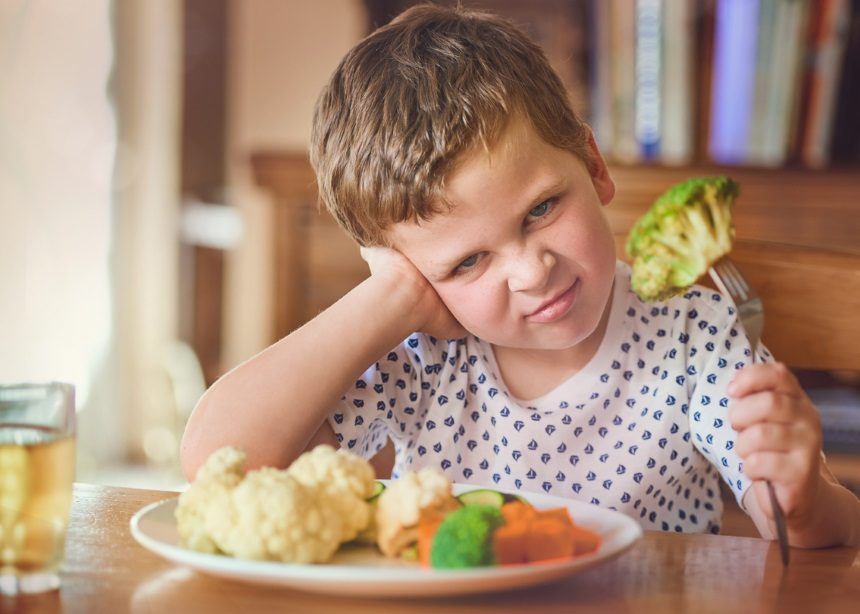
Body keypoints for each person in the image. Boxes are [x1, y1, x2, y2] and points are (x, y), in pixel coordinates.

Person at [181, 4, 859, 545]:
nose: (533, 271)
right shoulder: (418, 355)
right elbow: (220, 465)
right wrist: (389, 298)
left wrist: (802, 500)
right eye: (467, 261)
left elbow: (808, 528)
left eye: (541, 209)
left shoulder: (693, 334)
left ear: (593, 166)